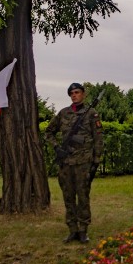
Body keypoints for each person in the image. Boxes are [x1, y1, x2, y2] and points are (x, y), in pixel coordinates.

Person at [45, 82, 104, 244]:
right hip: (66, 164)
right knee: (68, 197)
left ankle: (83, 230)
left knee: (83, 197)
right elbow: (49, 132)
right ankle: (72, 230)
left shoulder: (92, 114)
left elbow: (98, 139)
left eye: (77, 92)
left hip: (83, 163)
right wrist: (57, 147)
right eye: (71, 93)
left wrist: (96, 160)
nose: (74, 95)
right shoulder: (63, 114)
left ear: (83, 94)